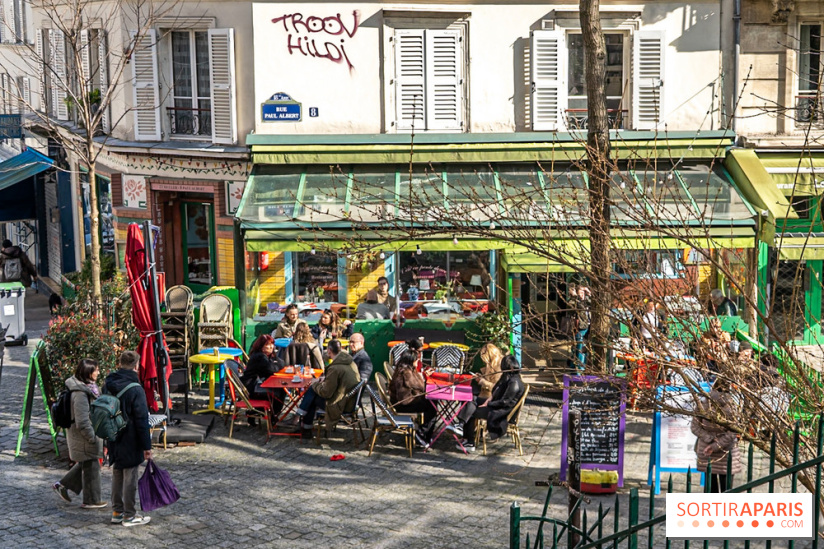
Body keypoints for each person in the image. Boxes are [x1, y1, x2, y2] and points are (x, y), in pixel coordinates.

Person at [105, 350, 152, 527]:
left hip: (113, 435)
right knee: (130, 476)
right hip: (130, 438)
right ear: (136, 366)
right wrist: (147, 446)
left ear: (120, 363)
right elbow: (142, 420)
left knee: (117, 473)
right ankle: (129, 515)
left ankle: (117, 512)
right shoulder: (136, 389)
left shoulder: (109, 383)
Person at [52, 359, 106, 509]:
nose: (98, 372)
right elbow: (82, 421)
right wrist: (92, 437)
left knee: (87, 462)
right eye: (96, 370)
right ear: (88, 372)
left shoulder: (88, 388)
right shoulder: (81, 394)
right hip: (84, 437)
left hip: (85, 435)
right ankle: (91, 500)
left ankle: (62, 485)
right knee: (92, 464)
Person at [449, 355, 525, 452]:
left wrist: (488, 404)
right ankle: (461, 425)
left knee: (472, 411)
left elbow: (504, 402)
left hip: (501, 412)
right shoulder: (507, 377)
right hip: (496, 404)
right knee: (471, 399)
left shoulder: (514, 382)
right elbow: (495, 391)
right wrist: (489, 399)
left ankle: (469, 442)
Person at [295, 339, 360, 438]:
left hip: (341, 405)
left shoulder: (335, 368)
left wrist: (315, 384)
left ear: (329, 350)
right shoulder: (350, 363)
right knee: (313, 393)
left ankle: (301, 420)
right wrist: (324, 381)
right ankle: (303, 422)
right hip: (350, 401)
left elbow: (326, 393)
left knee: (312, 393)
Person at [690, 376, 742, 492]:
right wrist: (717, 445)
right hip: (727, 451)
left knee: (710, 489)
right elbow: (733, 432)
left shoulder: (703, 404)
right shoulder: (733, 407)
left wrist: (710, 439)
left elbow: (694, 427)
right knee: (727, 490)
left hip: (706, 449)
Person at [388, 349, 438, 447]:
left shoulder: (407, 370)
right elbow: (404, 399)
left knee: (432, 402)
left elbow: (417, 387)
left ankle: (425, 433)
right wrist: (419, 396)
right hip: (403, 405)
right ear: (411, 361)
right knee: (432, 407)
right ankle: (421, 433)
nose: (418, 361)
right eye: (416, 359)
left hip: (407, 401)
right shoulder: (405, 374)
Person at [240, 334, 285, 422]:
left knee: (280, 390)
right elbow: (271, 369)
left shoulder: (267, 356)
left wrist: (275, 361)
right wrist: (275, 364)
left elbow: (282, 363)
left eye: (272, 344)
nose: (271, 347)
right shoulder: (259, 356)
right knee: (279, 391)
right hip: (252, 387)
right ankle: (270, 415)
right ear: (261, 346)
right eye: (268, 344)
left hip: (258, 384)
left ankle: (260, 413)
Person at [568, 285, 591, 371]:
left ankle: (582, 367)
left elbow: (594, 303)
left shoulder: (586, 301)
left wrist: (589, 293)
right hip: (580, 328)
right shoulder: (573, 301)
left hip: (588, 327)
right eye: (580, 293)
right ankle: (578, 369)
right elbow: (579, 307)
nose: (582, 295)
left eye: (583, 293)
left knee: (585, 349)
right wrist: (575, 297)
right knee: (579, 348)